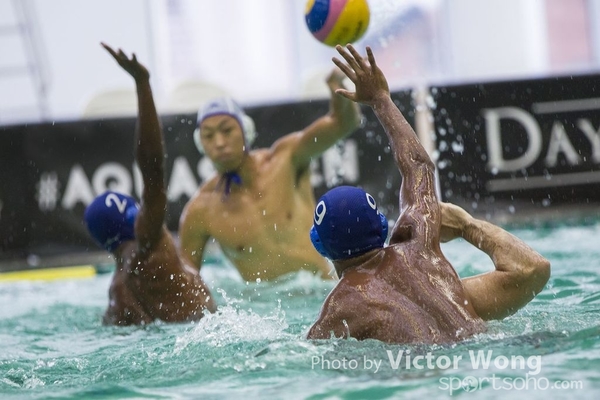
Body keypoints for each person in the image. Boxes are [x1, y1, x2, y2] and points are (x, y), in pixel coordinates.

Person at [306, 45, 551, 344]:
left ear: (320, 246)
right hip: (486, 349)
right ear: (383, 227)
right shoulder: (419, 247)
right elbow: (419, 166)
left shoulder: (339, 309)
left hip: (432, 368)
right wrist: (381, 100)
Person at [179, 68, 362, 282]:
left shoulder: (286, 159)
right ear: (200, 144)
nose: (219, 143)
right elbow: (186, 284)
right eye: (208, 136)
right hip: (267, 303)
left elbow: (343, 124)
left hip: (321, 291)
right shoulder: (200, 211)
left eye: (227, 130)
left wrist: (336, 87)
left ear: (246, 131)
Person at [84, 44, 216, 326]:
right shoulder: (148, 241)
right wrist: (142, 83)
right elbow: (152, 169)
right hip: (205, 334)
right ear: (133, 216)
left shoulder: (117, 293)